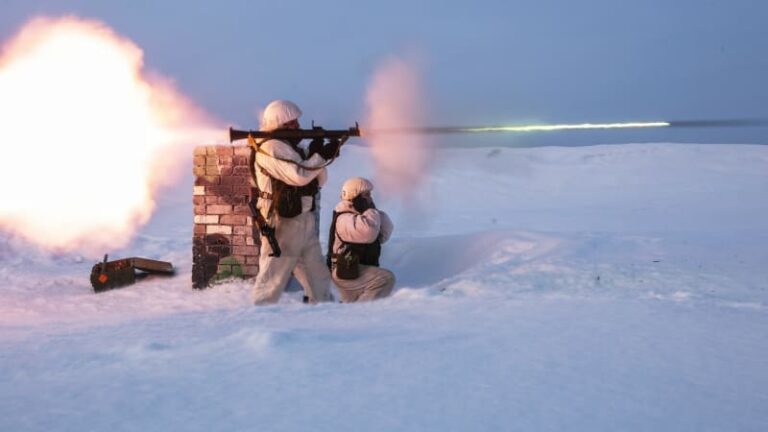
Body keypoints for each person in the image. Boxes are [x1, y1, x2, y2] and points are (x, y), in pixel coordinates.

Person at [250, 100, 341, 305]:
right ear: (280, 123)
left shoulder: (291, 148)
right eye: (292, 123)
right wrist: (319, 156)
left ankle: (322, 306)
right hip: (282, 219)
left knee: (314, 270)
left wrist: (318, 153)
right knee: (273, 274)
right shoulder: (271, 147)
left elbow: (318, 179)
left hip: (302, 216)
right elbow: (299, 175)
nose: (298, 126)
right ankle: (260, 316)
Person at [327, 177, 395, 302]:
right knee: (384, 279)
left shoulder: (363, 217)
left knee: (352, 302)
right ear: (355, 196)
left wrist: (373, 211)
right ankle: (362, 313)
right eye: (366, 195)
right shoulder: (344, 218)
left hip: (355, 270)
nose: (370, 198)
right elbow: (369, 233)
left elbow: (385, 233)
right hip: (345, 272)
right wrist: (370, 210)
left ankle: (353, 314)